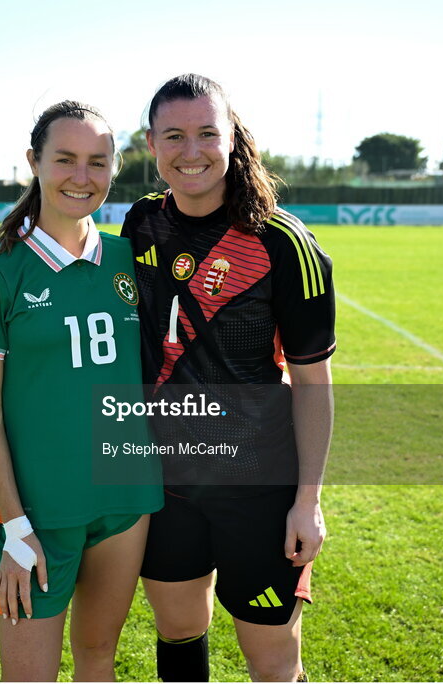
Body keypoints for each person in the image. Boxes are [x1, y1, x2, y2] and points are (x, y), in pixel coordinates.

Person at [120, 74, 336, 682]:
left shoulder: (284, 243)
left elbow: (314, 384)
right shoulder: (140, 225)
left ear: (232, 135)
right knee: (180, 634)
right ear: (152, 143)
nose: (193, 151)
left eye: (208, 133)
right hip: (166, 487)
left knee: (272, 661)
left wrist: (307, 503)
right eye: (175, 136)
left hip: (261, 489)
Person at [0, 100, 163, 681]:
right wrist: (14, 525)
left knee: (98, 660)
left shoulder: (131, 261)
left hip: (126, 499)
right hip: (38, 515)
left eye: (97, 162)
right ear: (33, 162)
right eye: (64, 159)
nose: (81, 176)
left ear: (114, 168)